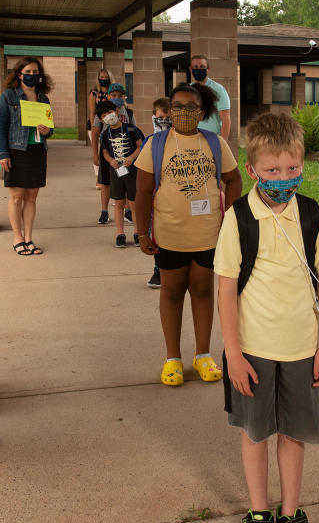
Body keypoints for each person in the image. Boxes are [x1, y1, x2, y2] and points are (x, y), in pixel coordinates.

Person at [215, 113, 319, 523]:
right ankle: (259, 515)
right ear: (252, 171)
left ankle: (290, 515)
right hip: (253, 351)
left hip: (304, 349)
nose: (283, 179)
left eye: (292, 169)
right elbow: (226, 290)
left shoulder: (313, 215)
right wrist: (232, 354)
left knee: (293, 435)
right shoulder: (238, 219)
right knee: (256, 434)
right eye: (272, 170)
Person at [133, 83, 242, 387]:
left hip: (208, 235)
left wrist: (230, 222)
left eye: (191, 107)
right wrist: (142, 233)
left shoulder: (215, 143)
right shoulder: (156, 144)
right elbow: (141, 192)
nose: (183, 112)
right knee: (171, 292)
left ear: (202, 112)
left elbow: (234, 180)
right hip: (169, 235)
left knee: (204, 291)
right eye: (177, 107)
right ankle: (172, 359)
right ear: (168, 111)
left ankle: (203, 354)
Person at [0, 56, 54, 256]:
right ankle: (17, 238)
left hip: (37, 151)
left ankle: (29, 237)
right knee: (16, 197)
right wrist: (3, 154)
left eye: (35, 73)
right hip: (16, 151)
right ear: (19, 74)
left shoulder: (43, 98)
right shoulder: (8, 97)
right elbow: (1, 128)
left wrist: (47, 130)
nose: (31, 76)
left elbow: (50, 129)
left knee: (31, 197)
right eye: (27, 72)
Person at [98, 100, 143, 247]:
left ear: (117, 111)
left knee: (134, 203)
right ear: (101, 119)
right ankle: (120, 233)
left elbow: (140, 146)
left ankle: (137, 232)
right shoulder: (105, 135)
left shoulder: (131, 129)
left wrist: (131, 157)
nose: (108, 116)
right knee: (118, 203)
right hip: (116, 172)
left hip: (132, 171)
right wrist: (111, 160)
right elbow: (104, 152)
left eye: (110, 112)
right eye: (104, 115)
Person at [92, 81, 136, 225]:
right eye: (114, 95)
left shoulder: (128, 112)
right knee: (105, 182)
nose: (117, 97)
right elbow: (95, 131)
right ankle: (104, 211)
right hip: (108, 150)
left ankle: (128, 211)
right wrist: (95, 154)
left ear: (124, 97)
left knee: (126, 180)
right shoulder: (102, 111)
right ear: (108, 96)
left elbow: (134, 130)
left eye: (120, 95)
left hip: (125, 151)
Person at [145, 97, 172, 288]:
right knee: (156, 233)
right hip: (156, 195)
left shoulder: (180, 141)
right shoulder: (150, 141)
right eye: (159, 117)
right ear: (154, 118)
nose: (163, 121)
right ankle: (158, 270)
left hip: (174, 195)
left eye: (167, 117)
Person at [190, 54, 231, 140]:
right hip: (192, 139)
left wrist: (223, 144)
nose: (198, 69)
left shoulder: (218, 90)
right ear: (190, 69)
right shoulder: (188, 90)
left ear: (208, 69)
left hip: (212, 139)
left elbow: (226, 120)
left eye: (202, 67)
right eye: (195, 67)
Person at [89, 68, 112, 216]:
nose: (103, 78)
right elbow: (92, 111)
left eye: (106, 76)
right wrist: (94, 126)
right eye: (101, 76)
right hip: (99, 124)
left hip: (111, 126)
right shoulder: (94, 93)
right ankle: (99, 179)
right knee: (99, 153)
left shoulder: (112, 91)